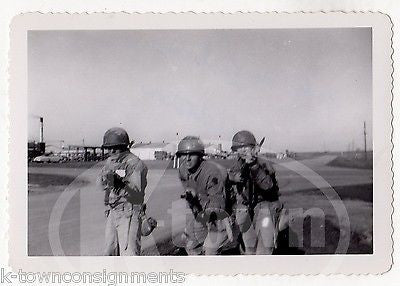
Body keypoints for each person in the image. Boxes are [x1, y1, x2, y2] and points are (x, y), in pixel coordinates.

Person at [177, 136, 236, 255]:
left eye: (192, 155)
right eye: (183, 155)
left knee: (210, 251)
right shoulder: (183, 170)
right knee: (191, 244)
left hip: (221, 216)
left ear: (200, 156)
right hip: (202, 214)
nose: (187, 159)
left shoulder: (212, 172)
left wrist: (197, 196)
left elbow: (218, 206)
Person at [229, 130, 283, 255]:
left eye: (245, 147)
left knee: (264, 247)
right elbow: (230, 180)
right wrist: (234, 178)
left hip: (265, 205)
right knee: (249, 246)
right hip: (245, 207)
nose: (242, 151)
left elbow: (267, 186)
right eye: (238, 148)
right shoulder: (237, 165)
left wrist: (254, 166)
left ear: (253, 148)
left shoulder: (264, 164)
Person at [99, 127, 149, 256]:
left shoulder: (134, 163)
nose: (111, 151)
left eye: (116, 147)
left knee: (129, 253)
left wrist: (121, 185)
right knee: (109, 251)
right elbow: (103, 185)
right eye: (108, 148)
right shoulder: (110, 161)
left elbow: (137, 192)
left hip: (129, 211)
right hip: (113, 210)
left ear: (124, 146)